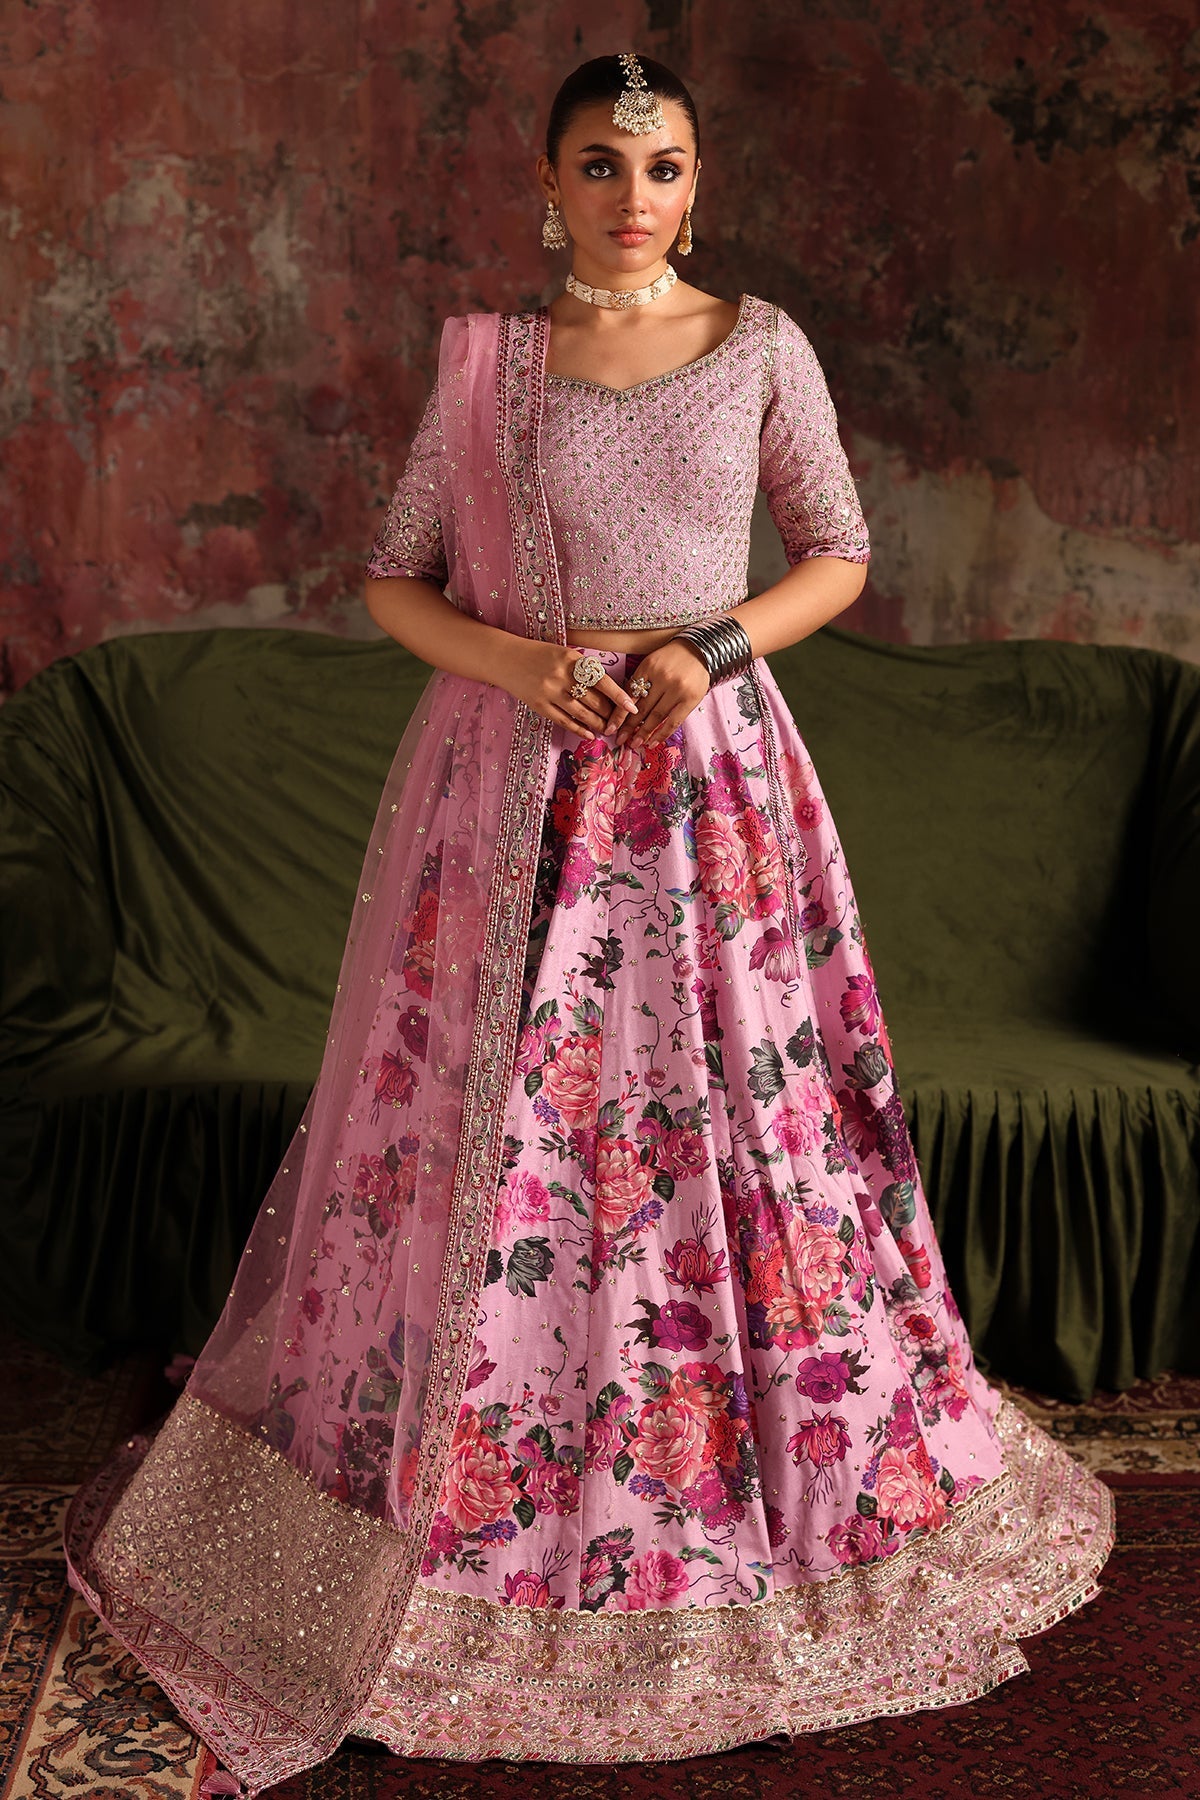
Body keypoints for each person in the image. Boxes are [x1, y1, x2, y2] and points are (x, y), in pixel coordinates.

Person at [64, 52, 1113, 1795]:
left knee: (727, 1128)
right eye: (604, 165)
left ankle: (740, 1471)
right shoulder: (491, 364)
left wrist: (708, 649)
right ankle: (477, 1478)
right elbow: (396, 572)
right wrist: (522, 664)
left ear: (701, 183)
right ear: (547, 184)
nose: (637, 196)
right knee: (504, 1129)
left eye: (667, 164)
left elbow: (838, 551)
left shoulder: (761, 347)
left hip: (704, 786)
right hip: (514, 784)